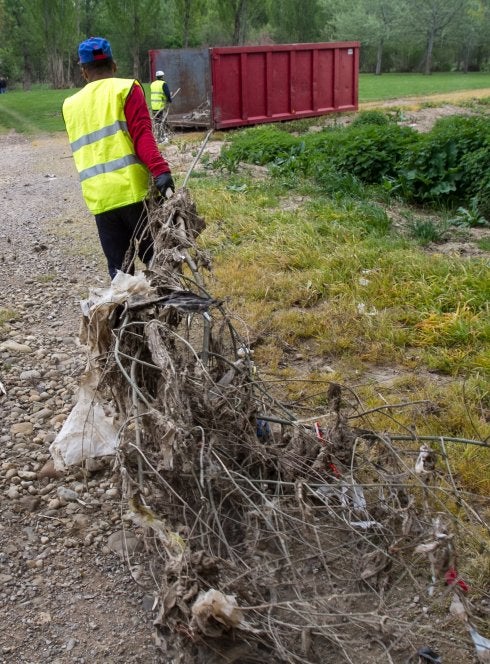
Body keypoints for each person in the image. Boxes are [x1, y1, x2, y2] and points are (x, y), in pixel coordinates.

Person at [62, 37, 174, 280]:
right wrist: (160, 170)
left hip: (100, 199)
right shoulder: (126, 89)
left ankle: (125, 314)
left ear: (83, 71)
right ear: (114, 65)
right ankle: (160, 312)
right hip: (134, 195)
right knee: (157, 263)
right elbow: (142, 136)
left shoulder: (70, 105)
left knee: (119, 272)